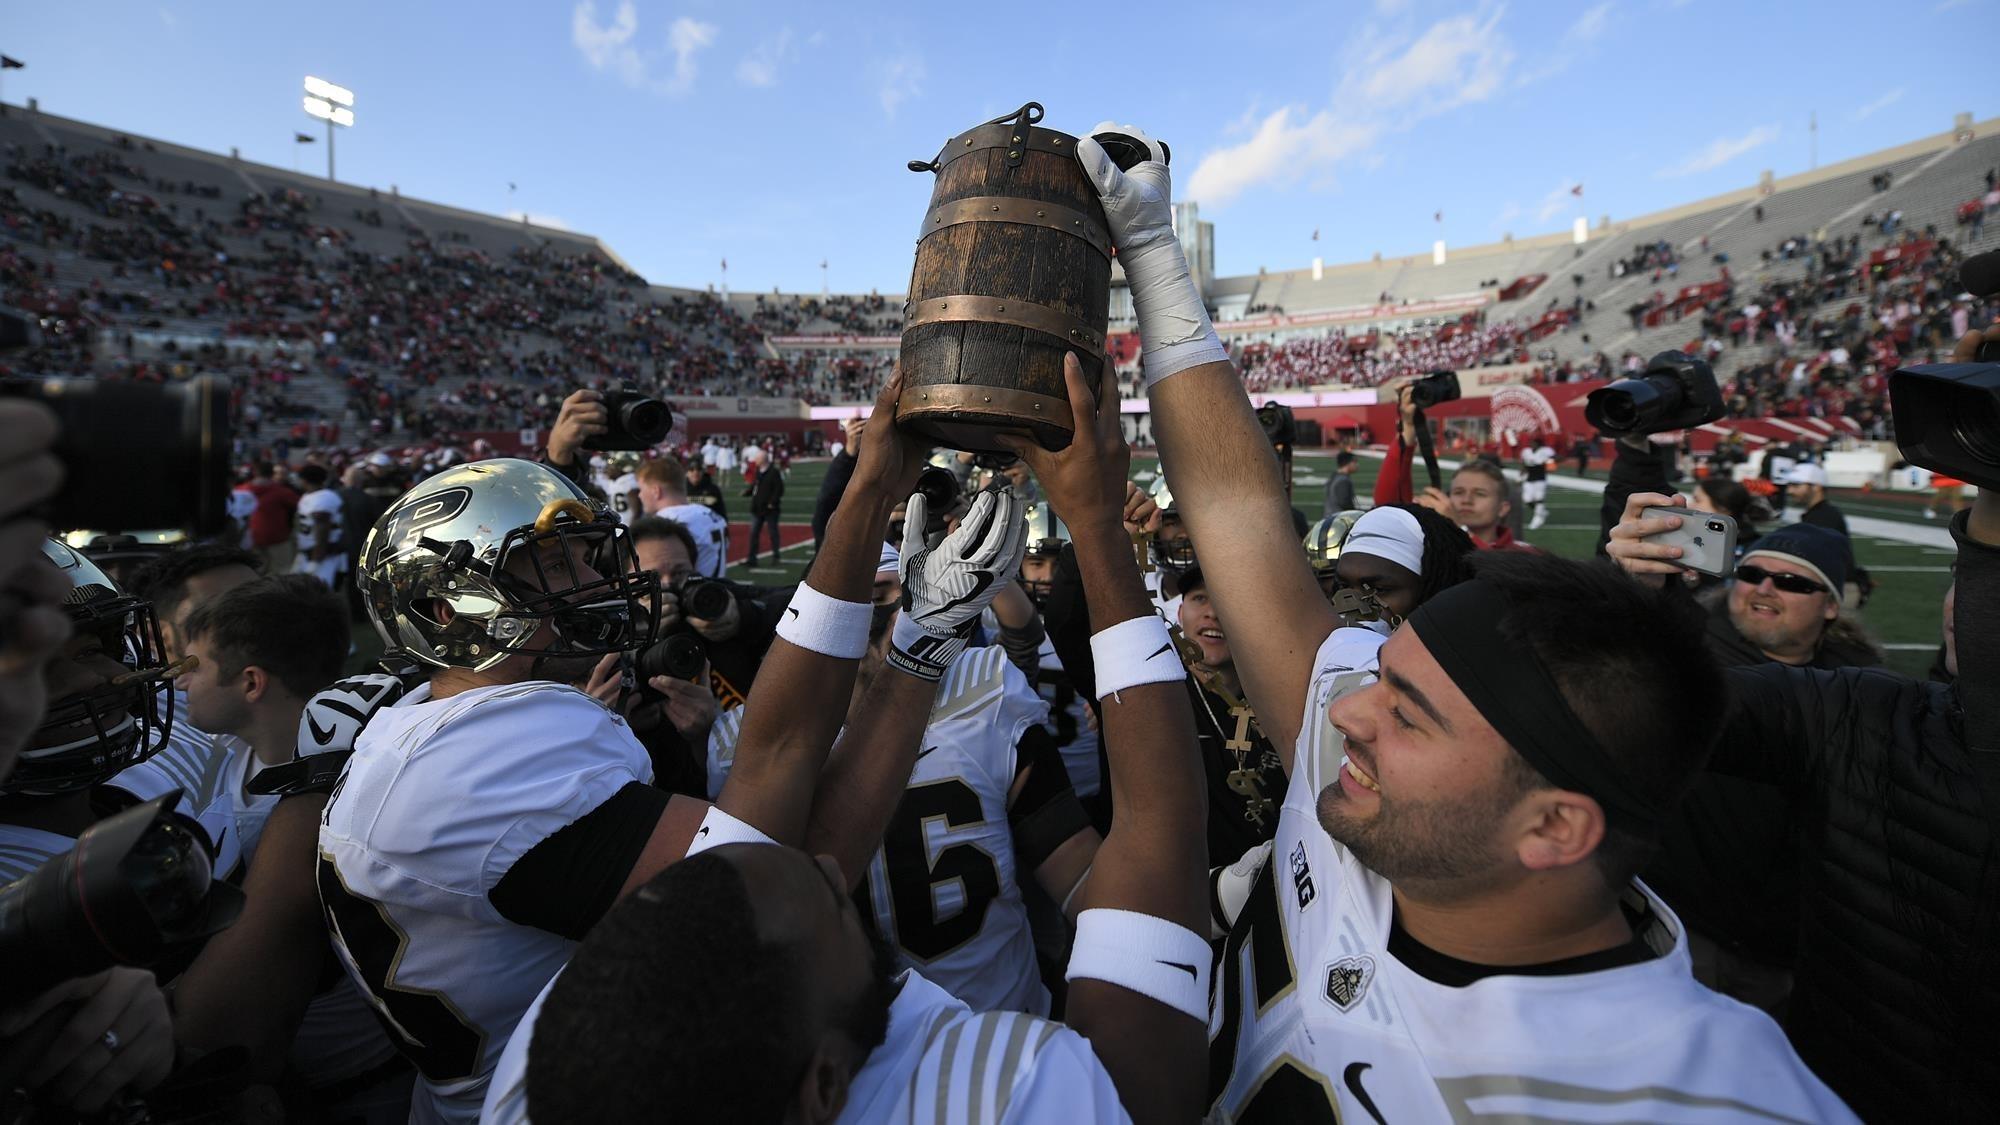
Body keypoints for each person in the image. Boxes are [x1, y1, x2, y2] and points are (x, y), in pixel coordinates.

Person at [1082, 122, 1850, 1122]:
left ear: (1552, 827)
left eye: (1407, 716)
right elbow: (1236, 516)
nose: (1347, 715)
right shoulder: (1387, 791)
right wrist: (1152, 258)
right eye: (1384, 682)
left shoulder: (1700, 1099)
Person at [497, 358, 1210, 1125]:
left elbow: (782, 765)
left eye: (889, 596)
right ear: (825, 1085)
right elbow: (1144, 857)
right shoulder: (1012, 1088)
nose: (832, 864)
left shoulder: (559, 1063)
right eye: (868, 600)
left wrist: (880, 536)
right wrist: (1096, 524)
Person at [328, 374, 965, 1123]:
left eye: (587, 556)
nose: (597, 581)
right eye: (557, 566)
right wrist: (902, 611)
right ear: (448, 609)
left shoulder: (418, 720)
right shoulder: (484, 753)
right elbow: (775, 885)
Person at [1607, 465, 2000, 1120]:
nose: (1764, 589)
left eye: (1790, 581)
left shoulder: (1862, 688)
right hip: (1686, 938)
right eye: (1752, 574)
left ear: (1831, 605)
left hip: (1784, 966)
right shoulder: (1850, 703)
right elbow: (1641, 702)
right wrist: (1633, 597)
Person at [706, 538, 1099, 1015]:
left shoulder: (983, 688)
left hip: (997, 1034)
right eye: (864, 600)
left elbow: (1077, 869)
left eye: (893, 594)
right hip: (849, 1057)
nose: (886, 615)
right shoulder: (739, 741)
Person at [167, 574, 412, 1117]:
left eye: (194, 667)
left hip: (359, 1087)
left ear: (251, 683)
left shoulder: (336, 803)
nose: (180, 684)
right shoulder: (237, 750)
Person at [635, 458, 728, 577]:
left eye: (641, 489)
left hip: (686, 593)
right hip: (711, 590)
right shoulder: (709, 513)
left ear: (655, 491)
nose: (640, 495)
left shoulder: (667, 522)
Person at [292, 463, 346, 591]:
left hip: (324, 557)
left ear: (304, 480)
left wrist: (315, 561)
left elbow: (322, 529)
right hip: (309, 554)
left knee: (320, 595)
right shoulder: (310, 495)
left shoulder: (323, 498)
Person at [245, 461, 300, 574]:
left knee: (254, 574)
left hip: (251, 539)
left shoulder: (241, 489)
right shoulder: (283, 492)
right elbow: (300, 507)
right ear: (272, 473)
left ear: (254, 472)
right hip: (279, 540)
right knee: (281, 574)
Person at [745, 449, 786, 567]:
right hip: (757, 508)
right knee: (754, 534)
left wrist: (772, 502)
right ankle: (752, 559)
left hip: (770, 510)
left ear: (762, 460)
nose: (755, 461)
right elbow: (756, 486)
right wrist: (748, 492)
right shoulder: (758, 472)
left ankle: (776, 557)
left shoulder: (774, 472)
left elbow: (779, 489)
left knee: (773, 533)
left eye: (757, 459)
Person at [1519, 434, 1556, 531]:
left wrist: (1549, 464)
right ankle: (1542, 512)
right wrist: (1520, 477)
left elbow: (1552, 465)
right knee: (1527, 499)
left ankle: (1537, 519)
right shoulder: (1526, 452)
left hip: (1540, 479)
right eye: (1531, 442)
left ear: (1538, 444)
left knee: (1539, 499)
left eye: (1534, 442)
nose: (1531, 444)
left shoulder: (1545, 452)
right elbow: (1524, 465)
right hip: (1529, 479)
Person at [1321, 451, 1357, 517]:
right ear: (1348, 463)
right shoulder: (1343, 481)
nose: (1357, 465)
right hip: (1338, 518)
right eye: (1354, 462)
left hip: (1330, 515)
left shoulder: (1334, 476)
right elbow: (1344, 503)